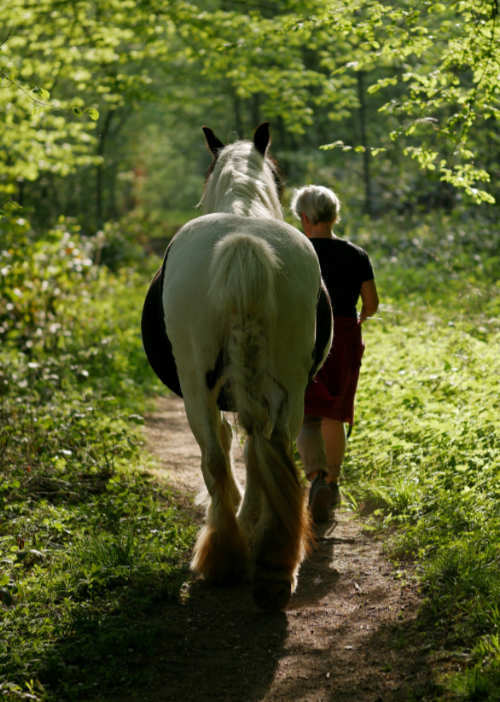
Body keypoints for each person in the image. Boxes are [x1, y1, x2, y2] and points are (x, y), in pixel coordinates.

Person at [291, 185, 379, 523]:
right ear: (335, 215)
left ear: (304, 218)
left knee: (306, 412)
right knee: (334, 412)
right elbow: (371, 304)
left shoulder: (295, 253)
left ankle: (314, 478)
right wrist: (358, 320)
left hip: (303, 335)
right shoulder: (356, 254)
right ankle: (332, 480)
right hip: (342, 335)